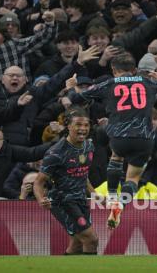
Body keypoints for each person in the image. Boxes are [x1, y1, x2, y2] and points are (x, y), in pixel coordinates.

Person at [66, 52, 157, 229]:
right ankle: (120, 204)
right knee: (133, 178)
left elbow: (76, 99)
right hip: (144, 138)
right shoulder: (148, 82)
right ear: (134, 70)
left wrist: (71, 87)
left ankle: (112, 197)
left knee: (116, 158)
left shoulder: (107, 83)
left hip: (119, 136)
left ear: (113, 70)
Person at [33, 107, 98, 255]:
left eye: (86, 125)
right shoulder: (56, 152)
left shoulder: (89, 146)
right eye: (78, 125)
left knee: (77, 244)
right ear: (68, 126)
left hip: (80, 200)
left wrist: (94, 193)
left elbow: (83, 173)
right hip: (62, 201)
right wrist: (41, 198)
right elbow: (39, 181)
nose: (83, 129)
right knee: (91, 239)